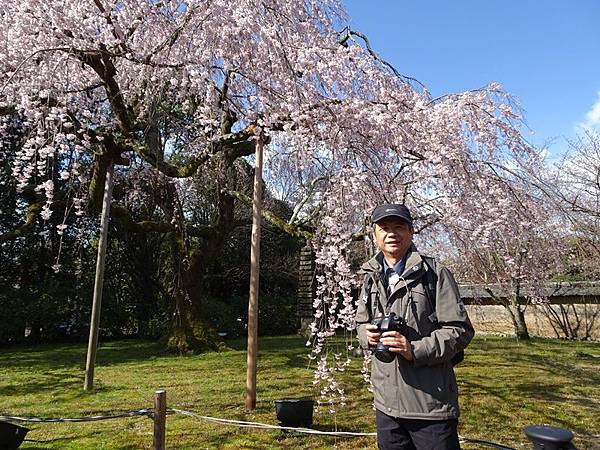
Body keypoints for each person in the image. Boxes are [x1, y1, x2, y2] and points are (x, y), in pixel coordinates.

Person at [355, 203, 474, 450]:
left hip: (430, 405)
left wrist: (414, 349)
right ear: (374, 235)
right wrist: (366, 335)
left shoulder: (435, 274)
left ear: (411, 231)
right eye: (384, 228)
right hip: (386, 405)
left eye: (399, 227)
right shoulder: (370, 277)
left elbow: (459, 330)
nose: (391, 234)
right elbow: (360, 322)